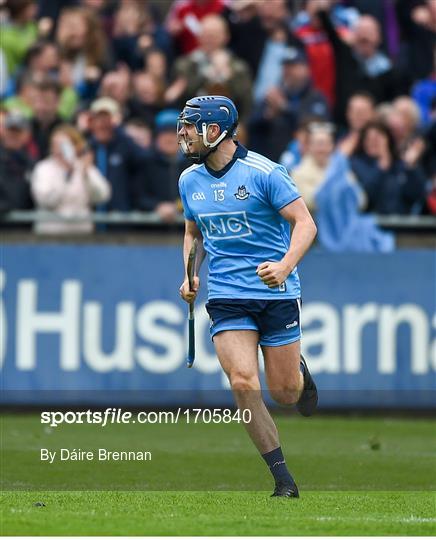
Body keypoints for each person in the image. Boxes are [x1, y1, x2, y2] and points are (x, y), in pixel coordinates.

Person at [178, 95, 318, 498]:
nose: (183, 134)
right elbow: (193, 231)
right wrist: (189, 275)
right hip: (226, 294)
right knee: (242, 383)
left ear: (215, 130)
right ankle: (283, 480)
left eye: (191, 126)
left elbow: (305, 224)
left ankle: (299, 373)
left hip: (276, 292)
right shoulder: (189, 179)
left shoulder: (265, 172)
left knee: (285, 393)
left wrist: (285, 266)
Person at [31, 124, 111, 234]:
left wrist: (86, 173)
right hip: (50, 236)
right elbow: (46, 201)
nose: (58, 149)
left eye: (63, 145)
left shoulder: (84, 167)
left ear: (76, 146)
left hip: (80, 236)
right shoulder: (43, 168)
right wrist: (66, 175)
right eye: (55, 145)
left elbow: (102, 196)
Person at [350, 120, 427, 215]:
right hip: (372, 224)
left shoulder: (401, 165)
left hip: (402, 223)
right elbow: (365, 197)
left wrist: (411, 167)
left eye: (377, 138)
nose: (373, 143)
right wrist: (381, 167)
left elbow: (418, 194)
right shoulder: (356, 165)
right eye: (369, 139)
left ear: (388, 139)